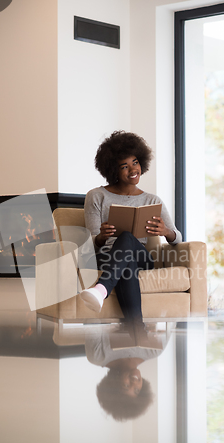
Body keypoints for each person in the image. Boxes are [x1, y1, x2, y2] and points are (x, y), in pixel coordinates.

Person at [80, 130, 182, 333]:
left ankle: (101, 289)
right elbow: (91, 243)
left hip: (142, 257)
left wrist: (165, 231)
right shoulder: (96, 196)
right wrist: (101, 237)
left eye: (135, 162)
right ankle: (137, 331)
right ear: (112, 170)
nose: (132, 170)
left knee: (127, 238)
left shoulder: (153, 200)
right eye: (124, 166)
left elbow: (177, 238)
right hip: (108, 259)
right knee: (127, 265)